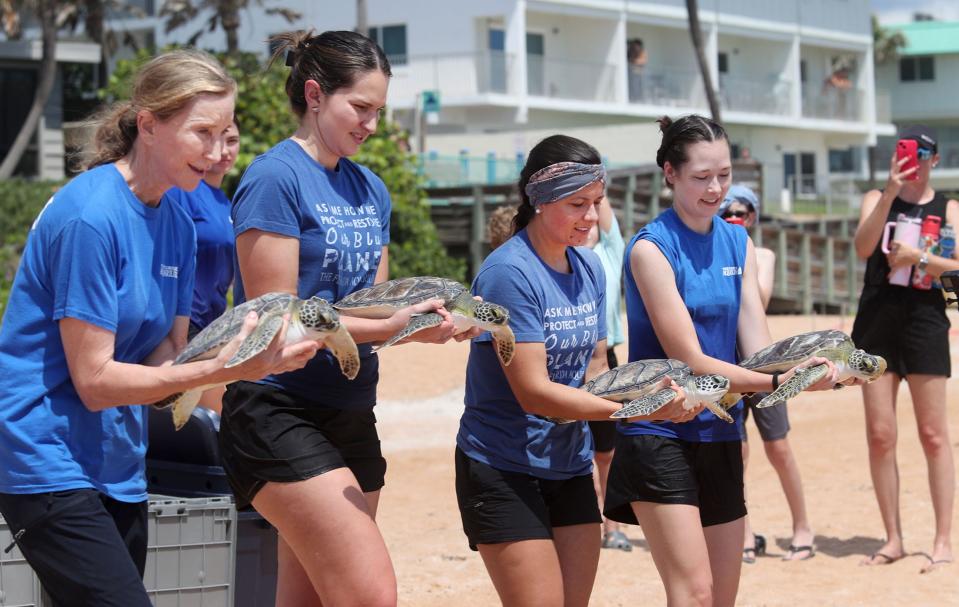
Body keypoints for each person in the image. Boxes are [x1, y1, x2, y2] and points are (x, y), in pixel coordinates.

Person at [0, 49, 317, 606]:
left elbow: (167, 357)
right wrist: (225, 369)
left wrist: (253, 372)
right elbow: (94, 382)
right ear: (148, 124)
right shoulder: (90, 218)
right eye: (202, 133)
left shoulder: (177, 216)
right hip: (43, 454)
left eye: (226, 134)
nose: (219, 153)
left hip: (117, 459)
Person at [218, 30, 470, 606]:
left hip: (353, 405)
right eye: (360, 107)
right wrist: (390, 327)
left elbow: (372, 306)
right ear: (314, 94)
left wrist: (424, 323)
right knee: (369, 594)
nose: (372, 124)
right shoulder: (274, 178)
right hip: (276, 408)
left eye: (378, 110)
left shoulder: (371, 188)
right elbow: (276, 317)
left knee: (309, 598)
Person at [604, 114, 841, 606]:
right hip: (659, 430)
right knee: (693, 594)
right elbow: (688, 357)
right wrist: (779, 379)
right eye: (701, 177)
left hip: (721, 428)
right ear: (669, 172)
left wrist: (810, 368)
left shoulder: (738, 241)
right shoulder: (651, 248)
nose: (716, 189)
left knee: (722, 597)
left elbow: (760, 350)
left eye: (725, 175)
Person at [456, 134, 692, 607]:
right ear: (538, 201)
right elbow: (534, 394)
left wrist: (655, 393)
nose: (591, 218)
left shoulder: (591, 269)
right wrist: (642, 410)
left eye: (598, 203)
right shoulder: (510, 274)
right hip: (502, 466)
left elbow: (599, 365)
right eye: (577, 204)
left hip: (568, 464)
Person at [852, 125, 957, 574]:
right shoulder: (878, 197)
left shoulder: (949, 207)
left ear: (934, 159)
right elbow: (861, 248)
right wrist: (891, 191)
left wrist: (920, 259)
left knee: (933, 435)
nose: (913, 162)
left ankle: (942, 538)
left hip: (927, 321)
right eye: (905, 153)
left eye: (921, 154)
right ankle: (892, 538)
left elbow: (956, 276)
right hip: (876, 321)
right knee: (881, 435)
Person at [720, 185, 816, 563]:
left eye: (741, 212)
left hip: (763, 361)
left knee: (778, 447)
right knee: (737, 452)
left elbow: (758, 300)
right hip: (727, 360)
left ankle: (802, 527)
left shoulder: (761, 253)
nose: (734, 217)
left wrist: (738, 247)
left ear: (753, 217)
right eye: (728, 211)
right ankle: (744, 533)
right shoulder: (710, 254)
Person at [166, 115, 241, 414]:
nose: (224, 150)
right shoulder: (183, 192)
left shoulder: (227, 203)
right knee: (220, 420)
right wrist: (176, 338)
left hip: (214, 327)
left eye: (232, 140)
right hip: (186, 328)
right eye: (215, 139)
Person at [583, 195, 630, 551]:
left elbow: (603, 208)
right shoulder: (560, 255)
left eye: (594, 210)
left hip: (606, 357)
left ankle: (613, 525)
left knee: (607, 451)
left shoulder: (610, 252)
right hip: (565, 357)